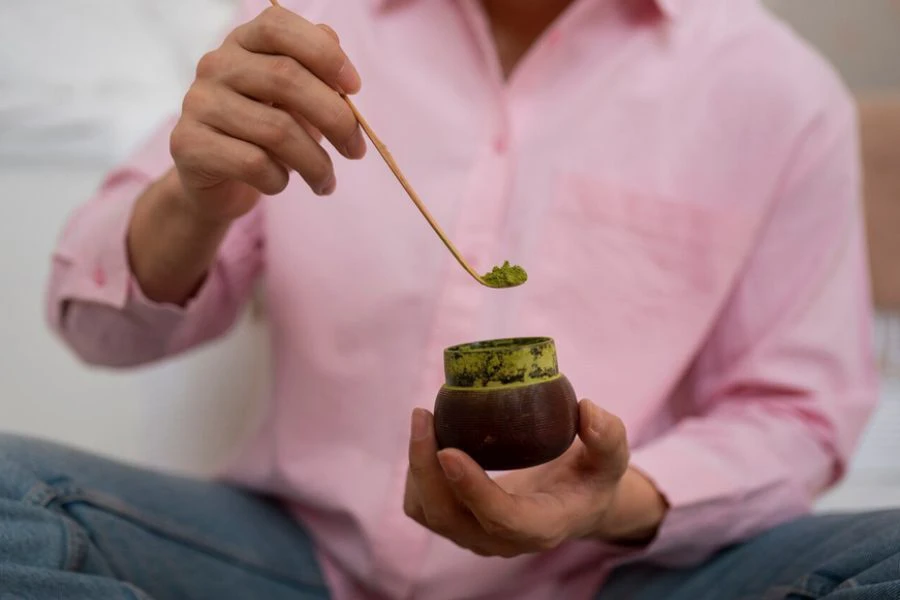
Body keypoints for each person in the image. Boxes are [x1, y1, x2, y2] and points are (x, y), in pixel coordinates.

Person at [1, 0, 894, 598]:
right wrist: (194, 198)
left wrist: (610, 505)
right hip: (298, 561)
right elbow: (98, 327)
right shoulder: (308, 31)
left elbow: (795, 416)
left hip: (617, 580)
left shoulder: (776, 90)